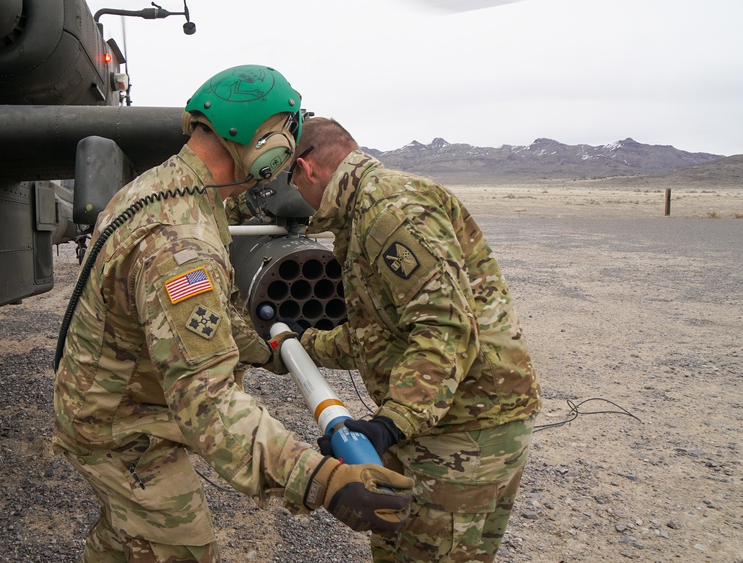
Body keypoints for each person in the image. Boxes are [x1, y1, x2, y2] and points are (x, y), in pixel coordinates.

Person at [52, 66, 414, 562]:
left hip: (107, 402)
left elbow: (208, 316)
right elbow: (207, 402)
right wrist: (321, 479)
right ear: (261, 140)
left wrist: (264, 351)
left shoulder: (166, 189)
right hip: (124, 431)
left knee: (125, 541)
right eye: (287, 133)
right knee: (182, 550)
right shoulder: (181, 244)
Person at [284, 117, 542, 562]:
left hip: (465, 430)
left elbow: (444, 326)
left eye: (289, 180)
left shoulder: (389, 210)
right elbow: (375, 335)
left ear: (306, 170)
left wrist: (389, 424)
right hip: (434, 424)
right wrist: (296, 347)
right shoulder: (362, 212)